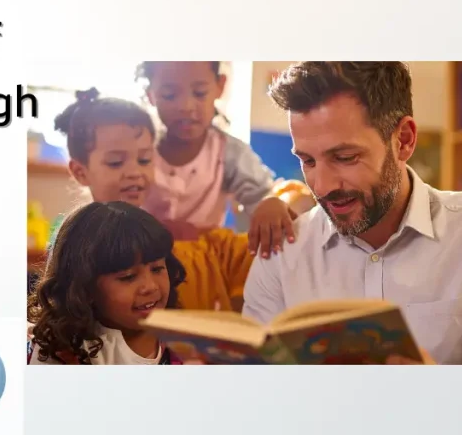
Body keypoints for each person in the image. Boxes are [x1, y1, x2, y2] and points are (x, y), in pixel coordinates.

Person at [242, 61, 462, 365]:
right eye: (307, 161)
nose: (321, 186)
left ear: (403, 140)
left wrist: (436, 387)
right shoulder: (280, 253)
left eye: (345, 157)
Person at [50, 88, 312, 312]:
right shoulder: (78, 242)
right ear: (80, 171)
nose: (134, 172)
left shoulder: (183, 240)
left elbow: (296, 211)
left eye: (145, 159)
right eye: (116, 162)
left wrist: (279, 202)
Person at [136, 62, 310, 257]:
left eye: (200, 93)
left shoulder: (229, 152)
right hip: (144, 260)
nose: (186, 107)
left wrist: (270, 203)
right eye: (169, 95)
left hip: (204, 263)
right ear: (151, 95)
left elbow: (262, 197)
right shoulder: (138, 150)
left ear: (220, 86)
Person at [27, 201, 186, 365]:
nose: (150, 286)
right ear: (84, 287)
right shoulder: (62, 352)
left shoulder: (181, 340)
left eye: (157, 269)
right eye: (128, 277)